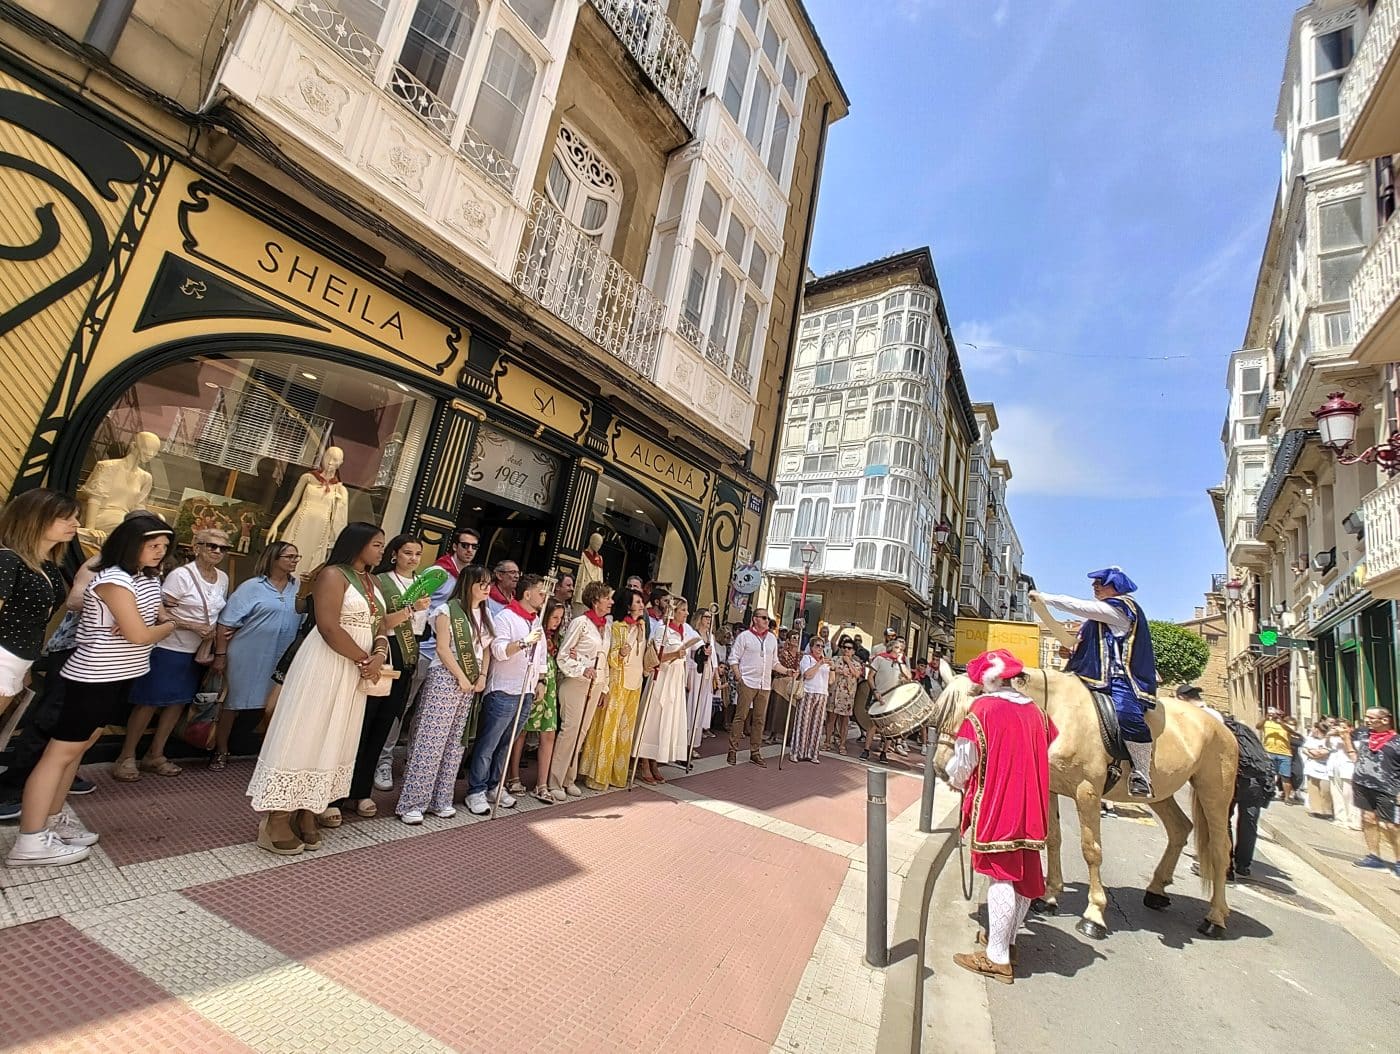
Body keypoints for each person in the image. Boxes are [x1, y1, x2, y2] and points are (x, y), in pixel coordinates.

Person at [7, 515, 176, 867]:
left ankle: (52, 820)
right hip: (92, 676)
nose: (160, 551)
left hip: (118, 675)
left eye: (164, 546)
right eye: (152, 545)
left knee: (76, 751)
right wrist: (165, 626)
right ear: (131, 544)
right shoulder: (114, 579)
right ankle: (30, 839)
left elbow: (146, 625)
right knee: (59, 754)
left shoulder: (144, 578)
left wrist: (150, 626)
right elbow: (141, 634)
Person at [247, 523, 405, 855]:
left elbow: (379, 623)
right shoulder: (333, 574)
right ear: (358, 544)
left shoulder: (373, 581)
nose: (382, 551)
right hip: (326, 664)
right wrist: (364, 658)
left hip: (356, 670)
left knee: (336, 735)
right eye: (377, 545)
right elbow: (329, 626)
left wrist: (379, 652)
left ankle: (309, 807)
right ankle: (277, 817)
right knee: (307, 731)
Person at [946, 649, 1057, 984]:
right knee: (1023, 875)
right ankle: (1006, 940)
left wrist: (955, 779)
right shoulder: (1037, 712)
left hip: (998, 804)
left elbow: (964, 759)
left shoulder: (983, 709)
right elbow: (1046, 747)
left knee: (1002, 876)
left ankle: (996, 958)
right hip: (1031, 804)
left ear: (989, 680)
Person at [113, 528, 230, 780]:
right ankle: (126, 756)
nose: (217, 551)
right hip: (169, 647)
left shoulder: (222, 578)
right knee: (148, 702)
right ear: (197, 547)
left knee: (178, 703)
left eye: (223, 548)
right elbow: (158, 612)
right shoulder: (181, 575)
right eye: (211, 545)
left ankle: (155, 754)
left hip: (196, 652)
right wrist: (192, 625)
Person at [1035, 567, 1159, 797]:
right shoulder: (1096, 619)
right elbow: (1090, 647)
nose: (1094, 586)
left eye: (1100, 582)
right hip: (1091, 677)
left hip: (1119, 679)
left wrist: (1046, 598)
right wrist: (1070, 652)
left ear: (1116, 586)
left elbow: (1079, 606)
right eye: (1094, 583)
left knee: (1126, 714)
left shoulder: (1120, 608)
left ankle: (1141, 773)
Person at [331, 534, 431, 816]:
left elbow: (421, 629)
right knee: (361, 726)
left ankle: (362, 791)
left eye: (417, 553)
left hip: (407, 658)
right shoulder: (381, 582)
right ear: (394, 554)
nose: (413, 558)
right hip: (382, 652)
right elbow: (381, 623)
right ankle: (337, 794)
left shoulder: (423, 585)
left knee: (383, 725)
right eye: (407, 552)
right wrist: (410, 609)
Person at [376, 527, 479, 792]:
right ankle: (384, 760)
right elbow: (415, 604)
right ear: (454, 546)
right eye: (465, 545)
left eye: (474, 546)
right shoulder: (438, 572)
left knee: (426, 713)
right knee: (403, 706)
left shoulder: (469, 577)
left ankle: (415, 762)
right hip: (423, 649)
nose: (469, 550)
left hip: (449, 658)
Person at [395, 565, 491, 824]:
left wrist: (482, 676)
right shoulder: (447, 610)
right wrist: (460, 676)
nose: (487, 589)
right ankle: (413, 802)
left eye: (489, 583)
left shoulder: (485, 614)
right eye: (482, 583)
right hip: (446, 677)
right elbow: (442, 648)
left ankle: (441, 798)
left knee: (454, 742)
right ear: (468, 584)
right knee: (431, 740)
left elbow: (486, 649)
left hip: (471, 681)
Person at [211, 541, 303, 768]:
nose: (294, 561)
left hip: (282, 655)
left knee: (275, 705)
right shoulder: (251, 587)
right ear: (274, 559)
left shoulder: (299, 588)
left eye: (296, 557)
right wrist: (220, 655)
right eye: (289, 557)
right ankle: (220, 750)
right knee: (232, 702)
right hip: (248, 652)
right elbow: (226, 623)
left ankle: (268, 753)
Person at [465, 573, 547, 815]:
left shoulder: (536, 619)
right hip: (504, 689)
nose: (544, 596)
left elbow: (542, 654)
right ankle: (476, 790)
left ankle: (494, 785)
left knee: (506, 744)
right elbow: (498, 651)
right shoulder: (505, 617)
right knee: (489, 743)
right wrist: (523, 642)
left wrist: (541, 680)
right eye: (540, 591)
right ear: (527, 594)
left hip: (526, 690)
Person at [0, 489, 79, 723]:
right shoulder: (8, 560)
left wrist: (27, 665)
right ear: (37, 518)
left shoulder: (49, 566)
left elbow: (38, 621)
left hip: (19, 658)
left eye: (75, 517)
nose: (76, 524)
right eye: (66, 518)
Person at [551, 581, 612, 800]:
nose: (611, 602)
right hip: (576, 683)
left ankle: (569, 778)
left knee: (582, 732)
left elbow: (604, 659)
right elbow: (563, 655)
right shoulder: (581, 623)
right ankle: (554, 780)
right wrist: (582, 669)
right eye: (607, 598)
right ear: (596, 600)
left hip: (595, 685)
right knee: (570, 731)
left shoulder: (606, 627)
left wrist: (604, 687)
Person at [581, 589, 646, 791]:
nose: (642, 605)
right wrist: (621, 654)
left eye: (642, 602)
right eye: (637, 602)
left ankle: (617, 775)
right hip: (618, 681)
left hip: (635, 682)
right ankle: (598, 775)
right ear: (628, 606)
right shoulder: (618, 627)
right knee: (609, 728)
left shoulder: (642, 626)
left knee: (625, 731)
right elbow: (612, 658)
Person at [635, 597, 701, 783]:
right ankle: (644, 760)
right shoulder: (662, 629)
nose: (687, 613)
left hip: (675, 679)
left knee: (666, 720)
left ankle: (655, 759)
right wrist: (674, 654)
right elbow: (655, 656)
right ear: (673, 612)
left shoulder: (684, 631)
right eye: (683, 610)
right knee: (653, 717)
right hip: (662, 678)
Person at [508, 597, 565, 803]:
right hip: (533, 683)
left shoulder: (557, 639)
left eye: (560, 618)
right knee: (521, 730)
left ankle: (542, 784)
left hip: (549, 687)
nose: (557, 622)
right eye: (554, 617)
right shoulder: (534, 632)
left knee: (548, 733)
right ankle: (513, 776)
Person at [726, 609, 793, 768]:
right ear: (755, 619)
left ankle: (755, 752)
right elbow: (733, 658)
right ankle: (732, 750)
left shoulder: (771, 638)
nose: (766, 621)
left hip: (764, 684)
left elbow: (774, 662)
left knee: (759, 719)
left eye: (767, 618)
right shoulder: (744, 637)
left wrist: (787, 671)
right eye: (763, 618)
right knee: (741, 716)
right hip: (748, 681)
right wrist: (739, 677)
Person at [1342, 708, 1400, 876]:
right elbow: (1350, 745)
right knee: (1368, 819)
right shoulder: (1363, 734)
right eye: (1366, 717)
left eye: (1371, 718)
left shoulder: (1397, 741)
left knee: (1392, 825)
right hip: (1363, 784)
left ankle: (1398, 861)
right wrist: (1347, 740)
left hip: (1388, 789)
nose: (1367, 720)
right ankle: (1374, 856)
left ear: (1385, 720)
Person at [864, 637, 911, 761]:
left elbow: (909, 677)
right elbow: (870, 677)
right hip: (879, 696)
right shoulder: (880, 659)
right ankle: (866, 750)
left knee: (891, 727)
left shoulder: (901, 664)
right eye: (897, 647)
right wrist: (875, 691)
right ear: (891, 648)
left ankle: (884, 752)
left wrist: (900, 662)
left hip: (893, 699)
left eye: (901, 649)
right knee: (873, 725)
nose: (899, 650)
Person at [790, 637, 830, 763]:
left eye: (822, 646)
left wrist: (833, 668)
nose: (820, 648)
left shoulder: (825, 661)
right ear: (812, 647)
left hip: (822, 693)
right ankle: (796, 752)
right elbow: (807, 675)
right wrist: (819, 664)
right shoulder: (807, 658)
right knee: (803, 722)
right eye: (817, 646)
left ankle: (812, 753)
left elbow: (831, 680)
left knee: (816, 725)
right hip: (808, 691)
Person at [685, 606, 718, 755]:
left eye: (710, 617)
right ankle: (685, 744)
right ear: (699, 618)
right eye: (706, 617)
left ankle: (694, 743)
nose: (709, 620)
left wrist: (716, 676)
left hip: (707, 674)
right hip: (695, 673)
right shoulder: (693, 634)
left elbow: (714, 658)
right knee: (692, 707)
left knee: (701, 708)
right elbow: (688, 655)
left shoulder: (710, 636)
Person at [825, 637, 861, 754]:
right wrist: (840, 671)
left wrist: (848, 662)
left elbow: (856, 674)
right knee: (831, 719)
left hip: (847, 696)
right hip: (834, 693)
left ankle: (842, 744)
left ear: (853, 651)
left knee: (844, 721)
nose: (846, 650)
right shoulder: (835, 659)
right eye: (844, 647)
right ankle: (827, 742)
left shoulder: (856, 664)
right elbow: (829, 668)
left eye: (849, 648)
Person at [766, 627, 802, 747]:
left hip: (793, 685)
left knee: (791, 712)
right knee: (778, 709)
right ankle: (773, 734)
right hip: (781, 683)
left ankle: (788, 736)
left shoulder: (801, 655)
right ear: (788, 640)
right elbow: (777, 666)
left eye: (798, 638)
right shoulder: (783, 652)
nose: (796, 640)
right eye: (794, 638)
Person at [1257, 708, 1299, 804]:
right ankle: (1268, 794)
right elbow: (1258, 726)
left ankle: (1287, 798)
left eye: (1279, 715)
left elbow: (1292, 732)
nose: (1276, 716)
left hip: (1285, 754)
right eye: (1276, 714)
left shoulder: (1286, 725)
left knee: (1285, 776)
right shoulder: (1267, 723)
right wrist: (1265, 718)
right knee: (1269, 775)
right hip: (1269, 752)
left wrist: (1281, 723)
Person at [1328, 719, 1361, 832]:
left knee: (1349, 796)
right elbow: (1327, 746)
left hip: (1348, 769)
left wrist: (1346, 737)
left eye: (1344, 727)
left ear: (1350, 728)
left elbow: (1353, 752)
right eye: (1339, 727)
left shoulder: (1355, 739)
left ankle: (1353, 821)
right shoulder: (1335, 739)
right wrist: (1328, 735)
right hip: (1335, 769)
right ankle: (1340, 818)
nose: (1340, 729)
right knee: (1337, 794)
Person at [1301, 720, 1334, 819]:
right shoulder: (1311, 739)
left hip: (1325, 768)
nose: (1312, 730)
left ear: (1318, 729)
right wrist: (1312, 753)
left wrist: (1313, 752)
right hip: (1312, 767)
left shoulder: (1328, 740)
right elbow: (1304, 749)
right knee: (1313, 789)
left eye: (1314, 728)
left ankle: (1327, 811)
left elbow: (1323, 752)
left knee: (1325, 790)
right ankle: (1316, 810)